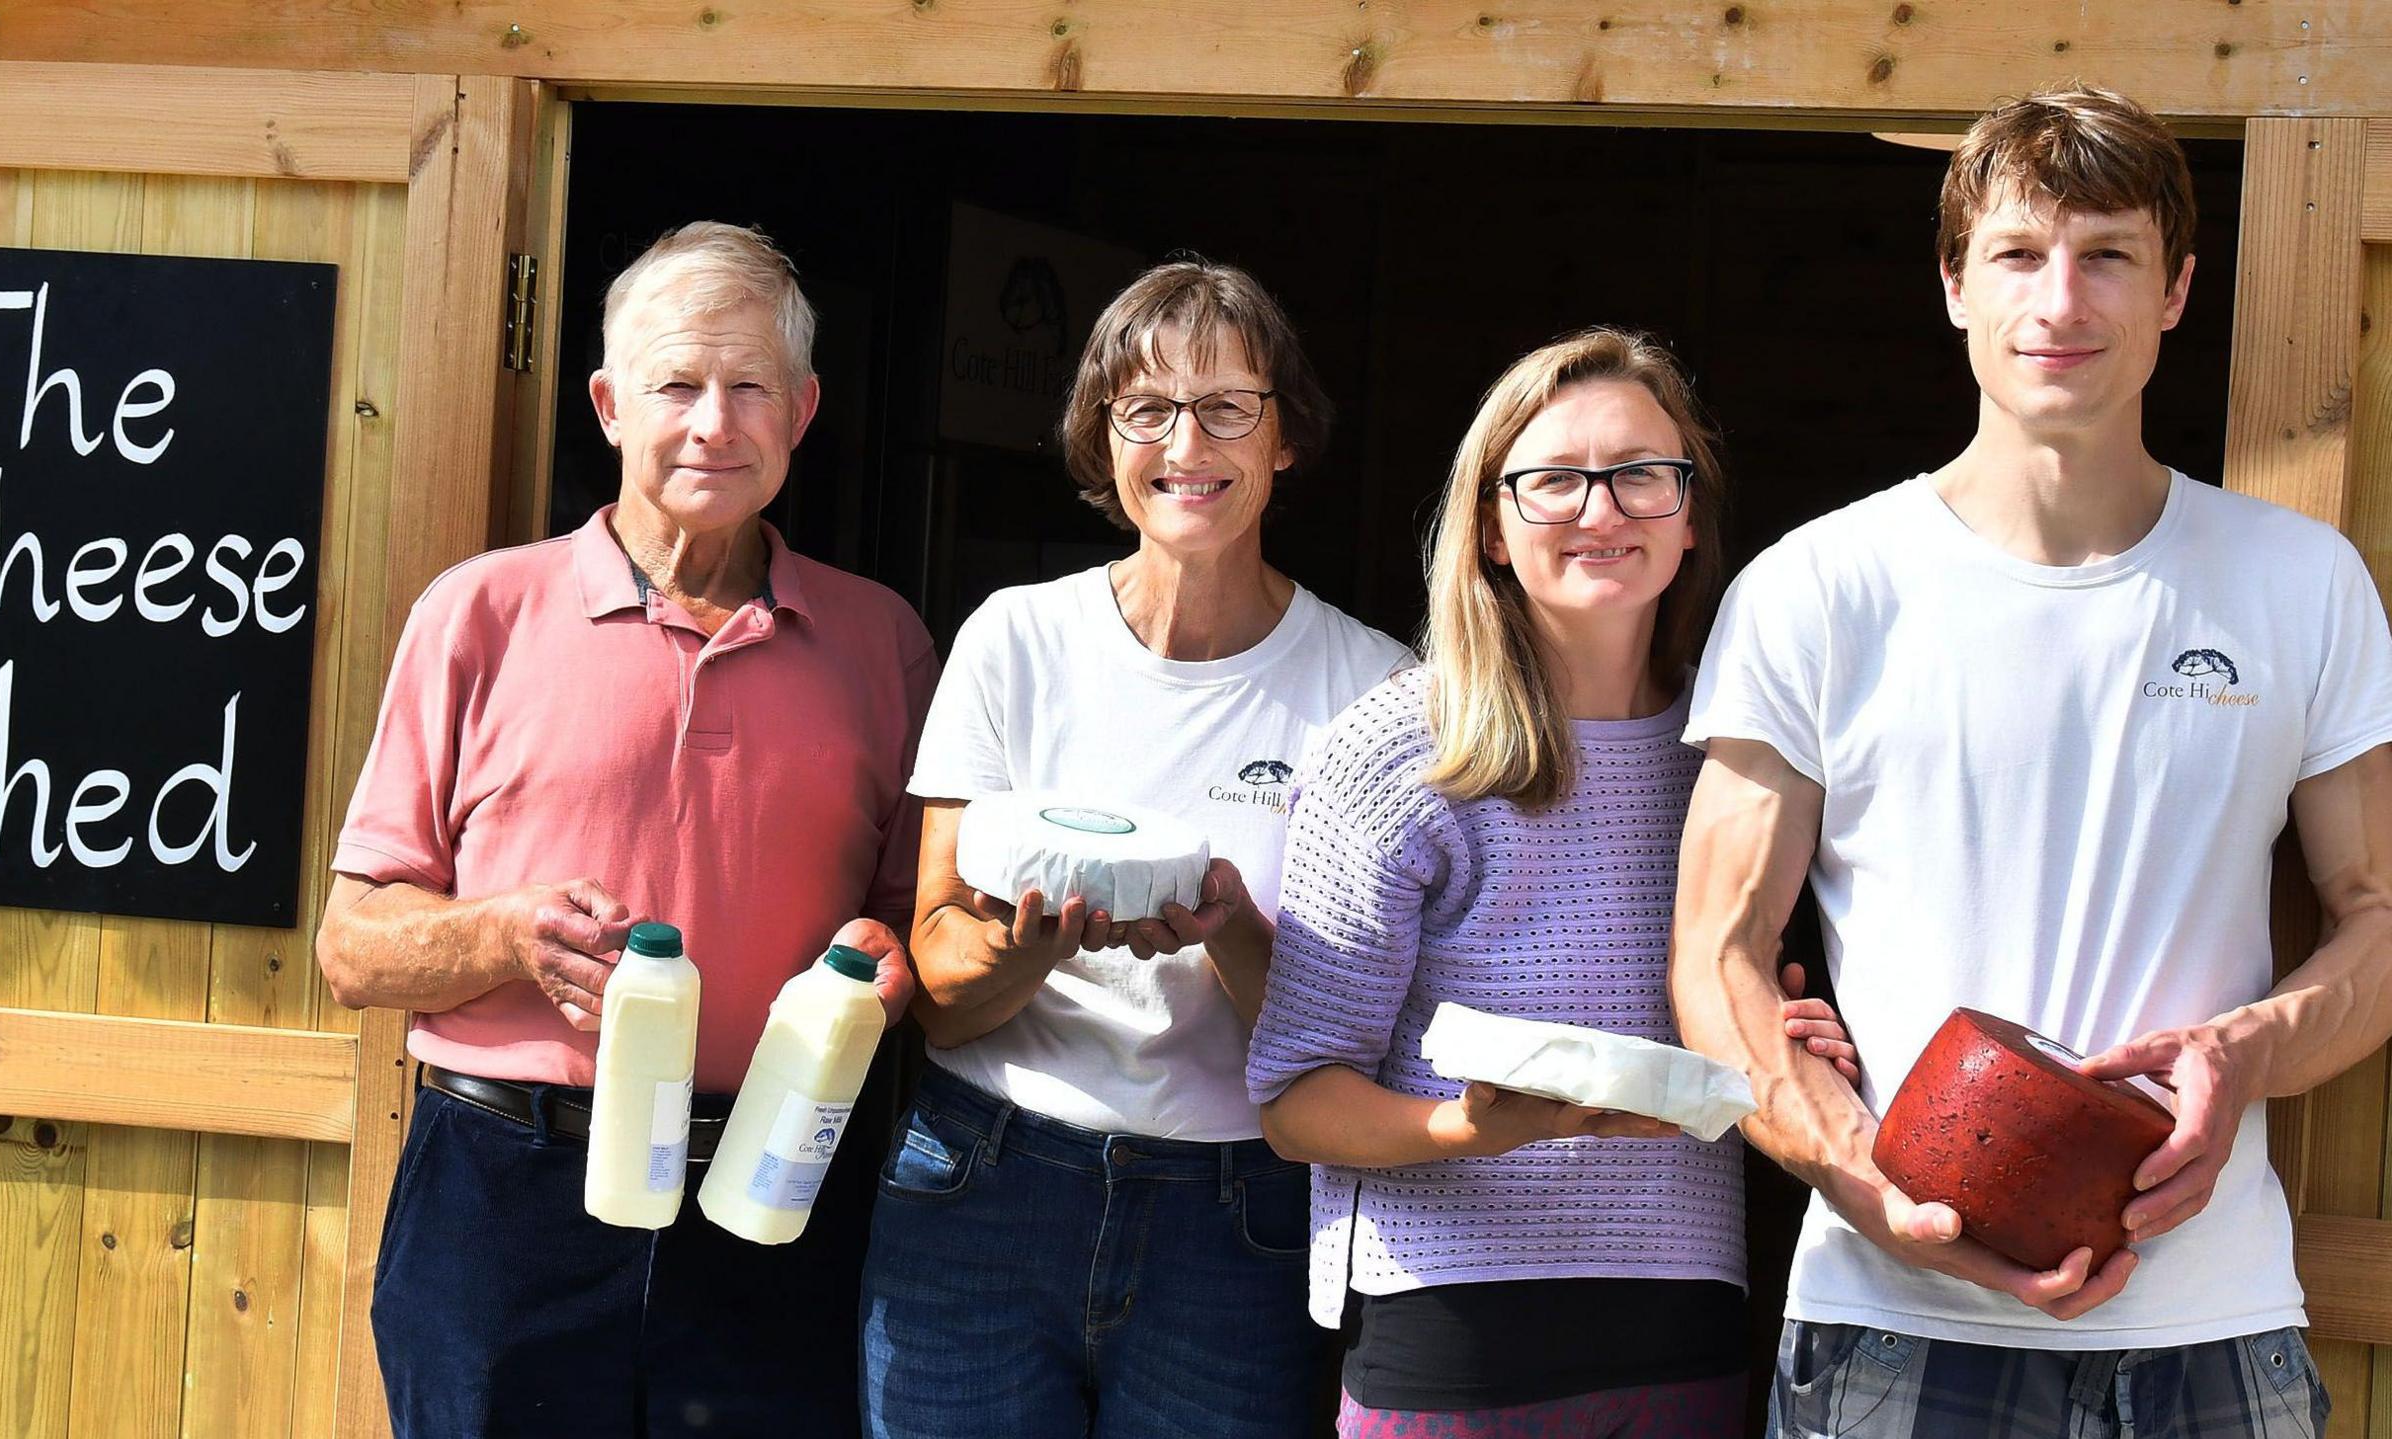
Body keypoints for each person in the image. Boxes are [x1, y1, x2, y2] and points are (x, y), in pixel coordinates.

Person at [1670, 86, 2392, 1437]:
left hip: (2214, 1319)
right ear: (1955, 284)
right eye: (2017, 254)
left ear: (2177, 289)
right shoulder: (1820, 588)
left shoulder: (2302, 582)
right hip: (1896, 1317)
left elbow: (2380, 915)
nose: (2060, 300)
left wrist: (2250, 1051)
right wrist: (1856, 1177)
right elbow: (1716, 950)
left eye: (2108, 253)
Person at [316, 221, 937, 1438]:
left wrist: (894, 953)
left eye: (750, 384)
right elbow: (351, 944)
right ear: (607, 403)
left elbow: (927, 918)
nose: (715, 420)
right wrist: (505, 933)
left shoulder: (883, 642)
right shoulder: (480, 612)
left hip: (771, 1189)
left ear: (802, 411)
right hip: (508, 1193)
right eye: (677, 383)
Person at [857, 259, 1413, 1438]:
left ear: (1285, 440)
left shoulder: (1372, 686)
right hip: (984, 1177)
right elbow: (943, 993)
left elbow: (1367, 1038)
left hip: (1238, 1210)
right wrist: (1032, 947)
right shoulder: (1016, 639)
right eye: (1146, 408)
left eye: (1226, 406)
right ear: (1105, 440)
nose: (1185, 441)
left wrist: (1231, 935)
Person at [1252, 328, 1780, 1438]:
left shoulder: (1743, 753)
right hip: (1452, 1325)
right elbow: (1297, 1098)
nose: (1602, 510)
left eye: (1641, 472)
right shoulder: (1398, 752)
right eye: (1553, 482)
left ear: (1689, 515)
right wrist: (1474, 1128)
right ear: (1490, 528)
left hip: (1684, 1317)